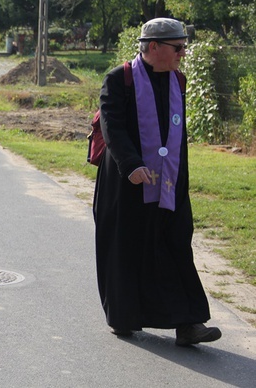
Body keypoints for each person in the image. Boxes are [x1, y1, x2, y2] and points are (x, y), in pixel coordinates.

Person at [93, 18, 222, 346]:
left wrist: (181, 183)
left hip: (168, 182)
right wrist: (132, 165)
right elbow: (112, 127)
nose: (183, 53)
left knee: (176, 246)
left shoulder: (178, 80)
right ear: (153, 47)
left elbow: (179, 138)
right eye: (177, 47)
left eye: (183, 46)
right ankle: (123, 317)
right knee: (126, 248)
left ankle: (189, 324)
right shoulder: (119, 80)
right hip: (127, 184)